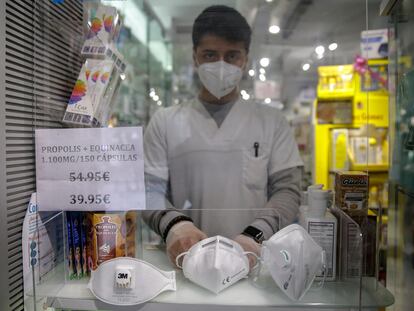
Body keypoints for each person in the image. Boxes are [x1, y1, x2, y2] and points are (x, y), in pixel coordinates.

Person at [143, 5, 303, 267]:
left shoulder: (272, 122)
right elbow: (149, 190)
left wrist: (254, 237)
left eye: (231, 56)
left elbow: (288, 190)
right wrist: (175, 226)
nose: (221, 65)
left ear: (245, 59)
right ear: (195, 57)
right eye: (209, 55)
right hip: (183, 263)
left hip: (254, 263)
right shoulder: (165, 121)